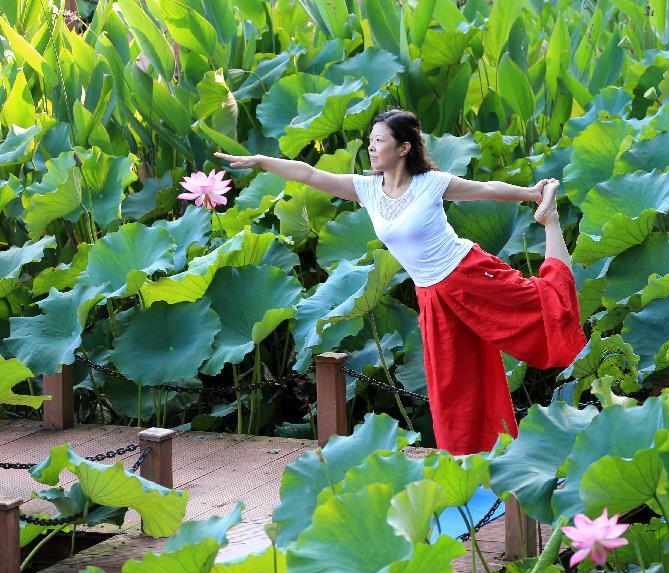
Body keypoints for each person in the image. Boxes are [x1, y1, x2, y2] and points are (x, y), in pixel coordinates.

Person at [215, 108, 587, 455]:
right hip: (433, 297)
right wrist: (262, 161)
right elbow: (310, 174)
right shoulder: (367, 190)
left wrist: (530, 194)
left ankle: (550, 218)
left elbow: (485, 189)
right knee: (454, 386)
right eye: (371, 140)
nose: (371, 147)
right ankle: (473, 461)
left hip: (468, 273)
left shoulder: (431, 183)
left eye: (379, 140)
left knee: (543, 308)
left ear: (404, 147)